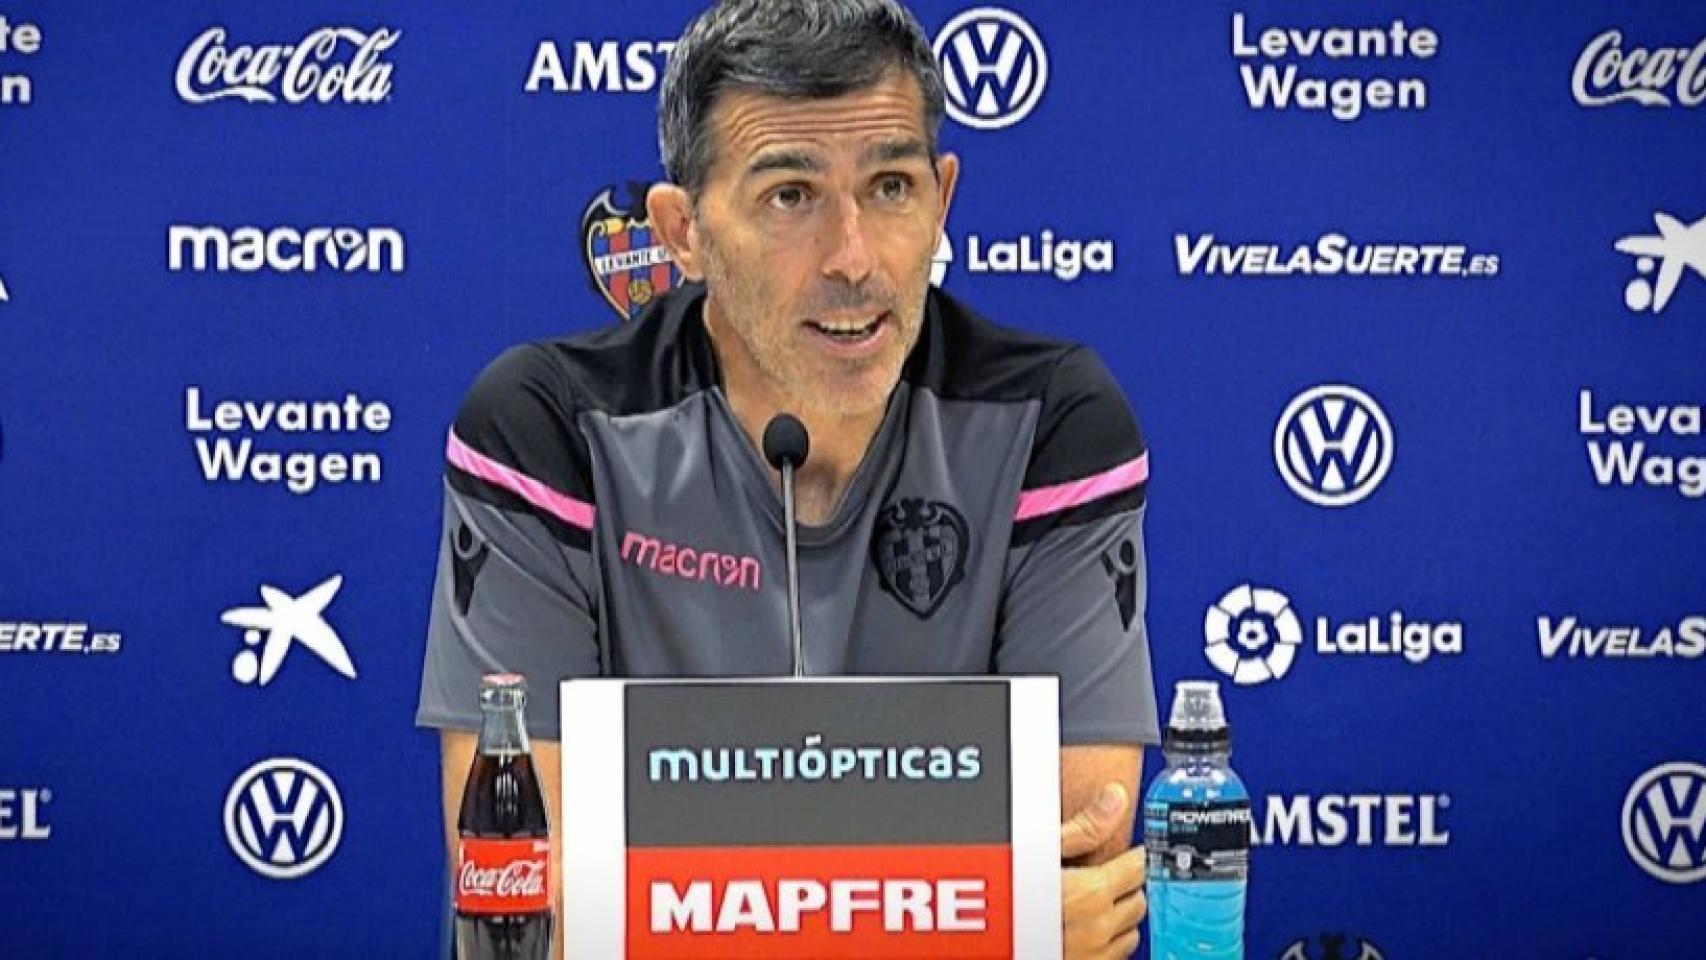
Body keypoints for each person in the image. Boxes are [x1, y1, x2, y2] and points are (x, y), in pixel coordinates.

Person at [417, 0, 1158, 956]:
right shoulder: (545, 430)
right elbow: (525, 906)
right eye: (790, 196)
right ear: (681, 231)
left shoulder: (1053, 423)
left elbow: (1073, 890)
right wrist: (952, 913)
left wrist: (691, 899)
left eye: (890, 188)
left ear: (943, 199)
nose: (854, 260)